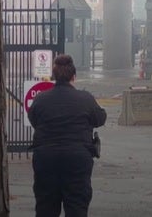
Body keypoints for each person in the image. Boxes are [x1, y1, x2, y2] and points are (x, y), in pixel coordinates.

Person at [28, 54, 107, 217]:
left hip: (46, 157)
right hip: (77, 157)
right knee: (77, 205)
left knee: (45, 206)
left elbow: (34, 120)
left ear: (54, 76)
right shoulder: (85, 98)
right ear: (74, 77)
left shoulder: (41, 99)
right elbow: (100, 118)